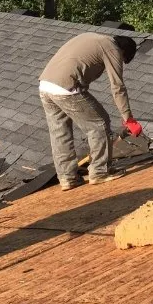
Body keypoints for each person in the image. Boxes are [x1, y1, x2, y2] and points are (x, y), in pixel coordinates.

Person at [38, 33, 143, 190]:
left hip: (45, 86)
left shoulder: (92, 38)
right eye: (122, 59)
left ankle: (68, 178)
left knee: (60, 133)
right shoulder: (112, 48)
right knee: (99, 123)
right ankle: (100, 172)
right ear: (123, 52)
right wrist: (128, 119)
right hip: (66, 87)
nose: (119, 62)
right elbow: (117, 87)